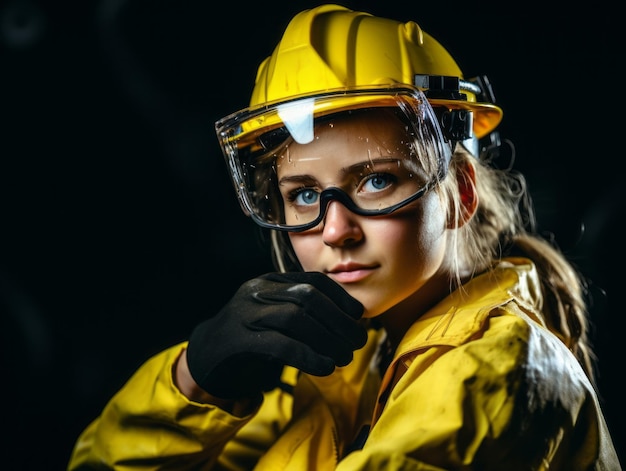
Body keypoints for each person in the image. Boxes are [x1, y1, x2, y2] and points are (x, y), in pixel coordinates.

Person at [67, 4, 621, 470]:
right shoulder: (350, 363)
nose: (335, 231)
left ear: (461, 194)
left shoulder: (494, 373)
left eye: (377, 180)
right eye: (305, 194)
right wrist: (195, 381)